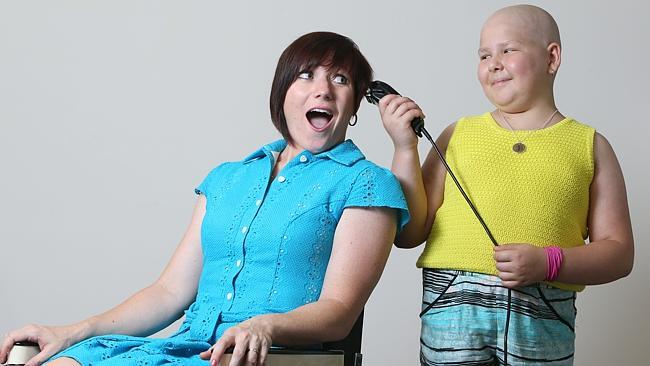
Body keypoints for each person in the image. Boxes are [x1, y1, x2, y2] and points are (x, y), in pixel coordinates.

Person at [0, 31, 409, 366]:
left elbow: (339, 311)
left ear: (355, 103)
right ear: (282, 91)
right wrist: (73, 330)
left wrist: (265, 326)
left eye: (340, 80)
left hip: (268, 355)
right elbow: (169, 293)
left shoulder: (367, 183)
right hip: (185, 346)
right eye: (306, 75)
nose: (322, 90)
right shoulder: (228, 178)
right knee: (61, 363)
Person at [379, 4, 634, 365]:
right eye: (484, 54)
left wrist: (549, 263)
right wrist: (405, 148)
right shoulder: (457, 135)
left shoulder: (590, 145)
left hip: (543, 314)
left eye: (508, 50)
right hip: (452, 307)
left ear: (552, 57)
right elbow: (409, 233)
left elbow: (619, 253)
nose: (493, 62)